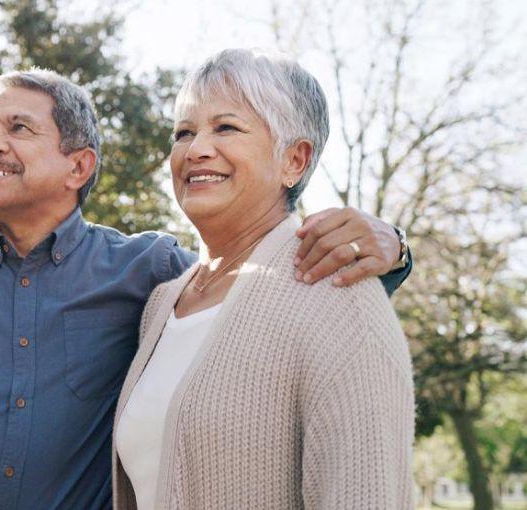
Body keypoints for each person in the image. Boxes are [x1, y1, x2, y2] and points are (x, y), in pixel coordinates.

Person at [0, 67, 412, 509]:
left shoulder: (153, 275)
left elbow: (267, 295)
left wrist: (391, 249)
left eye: (18, 129)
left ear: (78, 167)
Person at [112, 49, 414, 510]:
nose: (196, 150)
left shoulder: (338, 293)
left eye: (226, 127)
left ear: (294, 160)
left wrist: (398, 247)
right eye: (184, 133)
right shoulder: (162, 303)